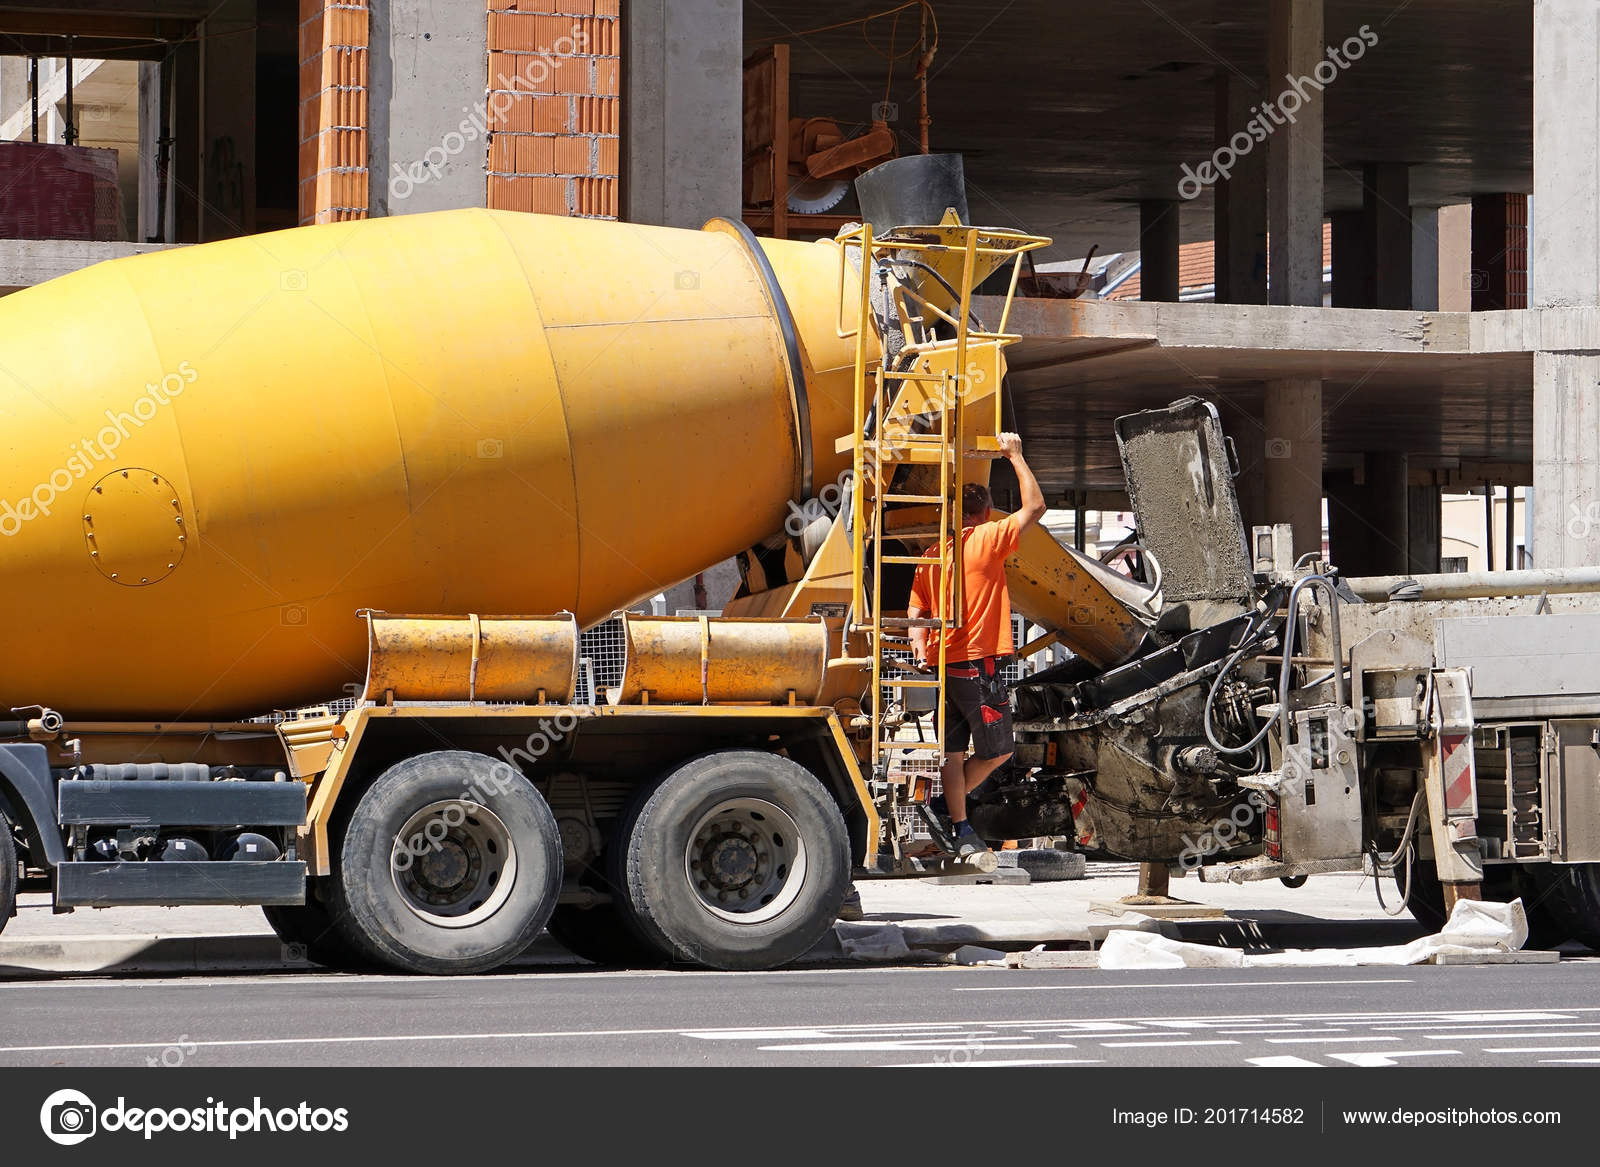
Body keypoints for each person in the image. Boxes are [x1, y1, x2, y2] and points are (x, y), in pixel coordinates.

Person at [906, 433, 1047, 857]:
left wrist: (919, 645)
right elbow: (1036, 507)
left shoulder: (932, 554)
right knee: (999, 750)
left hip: (943, 668)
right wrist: (1015, 456)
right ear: (985, 513)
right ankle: (945, 809)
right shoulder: (988, 539)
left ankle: (960, 825)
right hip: (978, 667)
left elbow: (915, 610)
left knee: (951, 753)